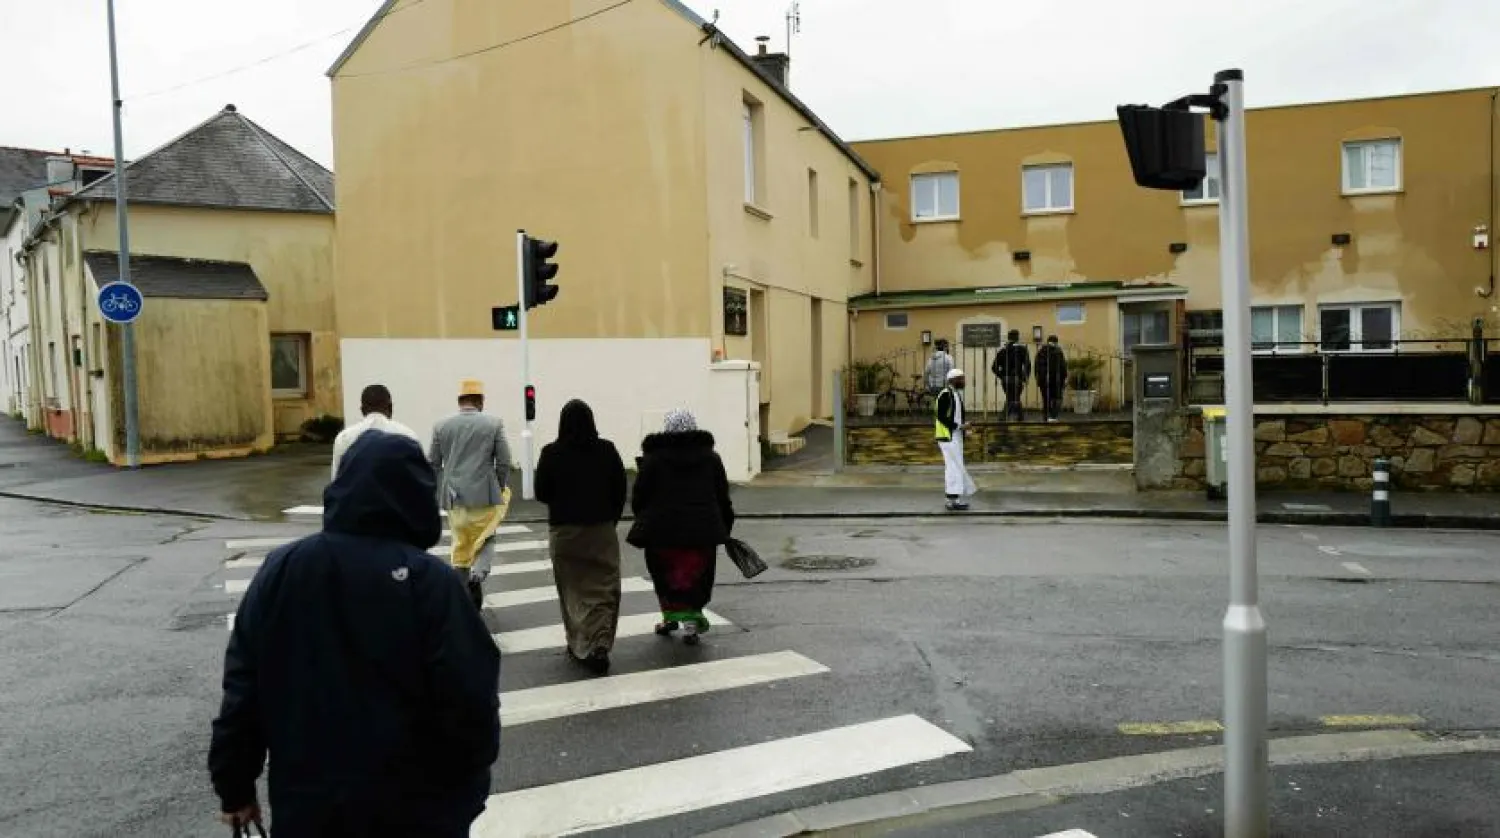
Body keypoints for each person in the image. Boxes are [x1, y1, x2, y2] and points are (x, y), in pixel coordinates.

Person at [208, 432, 500, 837]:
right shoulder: (431, 583)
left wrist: (235, 787)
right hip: (416, 809)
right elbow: (470, 698)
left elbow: (244, 690)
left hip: (309, 806)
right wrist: (466, 790)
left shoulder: (284, 570)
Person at [534, 400, 627, 675]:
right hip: (601, 530)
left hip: (565, 533)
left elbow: (541, 492)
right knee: (604, 589)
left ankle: (579, 643)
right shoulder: (607, 450)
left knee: (572, 591)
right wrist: (611, 518)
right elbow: (620, 488)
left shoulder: (551, 453)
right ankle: (600, 643)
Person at [628, 409, 733, 646]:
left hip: (662, 532)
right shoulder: (711, 458)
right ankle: (691, 625)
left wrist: (643, 518)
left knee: (666, 577)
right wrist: (725, 526)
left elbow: (640, 496)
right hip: (702, 531)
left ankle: (669, 619)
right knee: (695, 577)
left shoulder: (654, 459)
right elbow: (722, 496)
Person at [429, 379, 512, 609]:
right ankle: (478, 573)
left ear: (460, 400)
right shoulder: (494, 424)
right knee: (487, 535)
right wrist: (499, 486)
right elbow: (504, 461)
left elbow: (433, 464)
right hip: (484, 494)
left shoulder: (441, 426)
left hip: (454, 497)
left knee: (461, 543)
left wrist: (439, 492)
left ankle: (461, 595)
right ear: (480, 401)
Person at [330, 383, 420, 479]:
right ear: (390, 408)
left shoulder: (344, 438)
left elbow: (336, 479)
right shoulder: (408, 435)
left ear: (362, 410)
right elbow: (419, 478)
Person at [934, 368, 977, 511]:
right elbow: (941, 416)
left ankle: (954, 499)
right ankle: (952, 500)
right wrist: (960, 427)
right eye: (961, 378)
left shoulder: (954, 394)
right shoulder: (946, 394)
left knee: (956, 466)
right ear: (954, 380)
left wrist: (964, 429)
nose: (964, 381)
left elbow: (956, 416)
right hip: (947, 437)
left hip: (955, 436)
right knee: (953, 467)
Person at [991, 329, 1032, 422]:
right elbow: (1027, 365)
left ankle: (1019, 417)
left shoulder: (1002, 351)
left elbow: (994, 367)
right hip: (1017, 378)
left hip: (1005, 379)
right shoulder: (1022, 349)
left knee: (1012, 397)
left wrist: (1002, 375)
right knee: (1014, 398)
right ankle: (1004, 417)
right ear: (1017, 338)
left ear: (1008, 338)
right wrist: (1025, 377)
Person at [1035, 335, 1069, 423]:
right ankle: (1053, 416)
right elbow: (1062, 366)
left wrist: (1038, 379)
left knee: (1046, 399)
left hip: (1043, 380)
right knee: (1057, 398)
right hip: (1056, 380)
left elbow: (1036, 367)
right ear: (1056, 342)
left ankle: (1046, 416)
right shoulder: (1058, 351)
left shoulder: (1041, 351)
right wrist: (1065, 378)